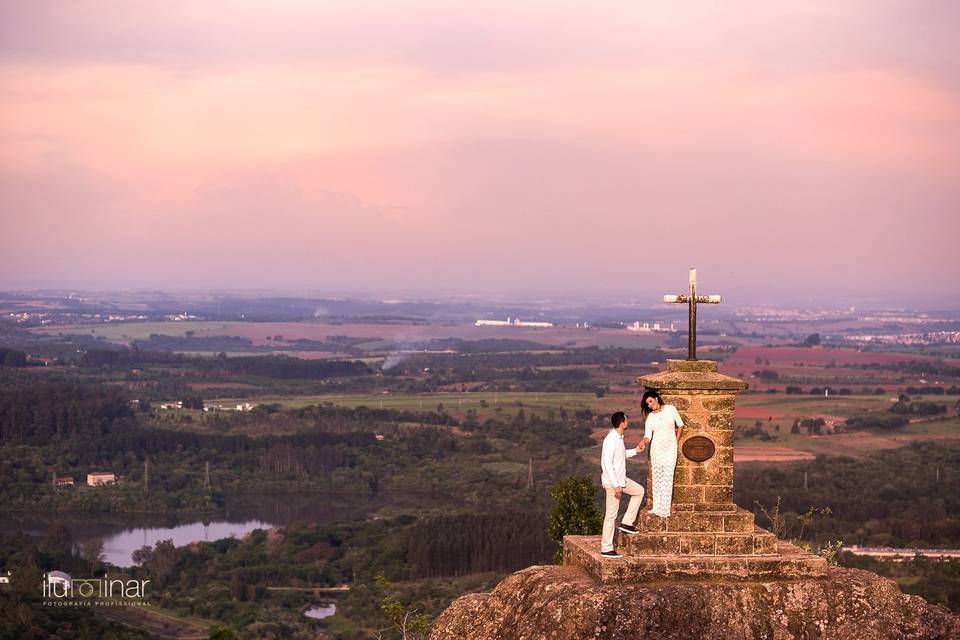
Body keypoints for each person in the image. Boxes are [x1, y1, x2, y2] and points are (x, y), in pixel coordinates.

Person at [599, 411, 645, 559]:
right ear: (622, 423)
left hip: (621, 480)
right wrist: (615, 486)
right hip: (614, 483)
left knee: (639, 491)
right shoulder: (611, 439)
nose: (628, 421)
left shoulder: (618, 438)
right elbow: (606, 463)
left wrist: (636, 451)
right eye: (626, 419)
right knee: (611, 516)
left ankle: (626, 522)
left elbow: (621, 454)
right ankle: (606, 548)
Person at [637, 389, 684, 518]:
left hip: (670, 448)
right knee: (657, 478)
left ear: (656, 398)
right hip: (656, 450)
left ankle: (665, 507)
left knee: (668, 476)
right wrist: (642, 442)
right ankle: (658, 507)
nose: (650, 405)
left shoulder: (670, 409)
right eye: (648, 404)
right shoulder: (650, 417)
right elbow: (648, 436)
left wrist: (676, 441)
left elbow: (680, 425)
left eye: (651, 401)